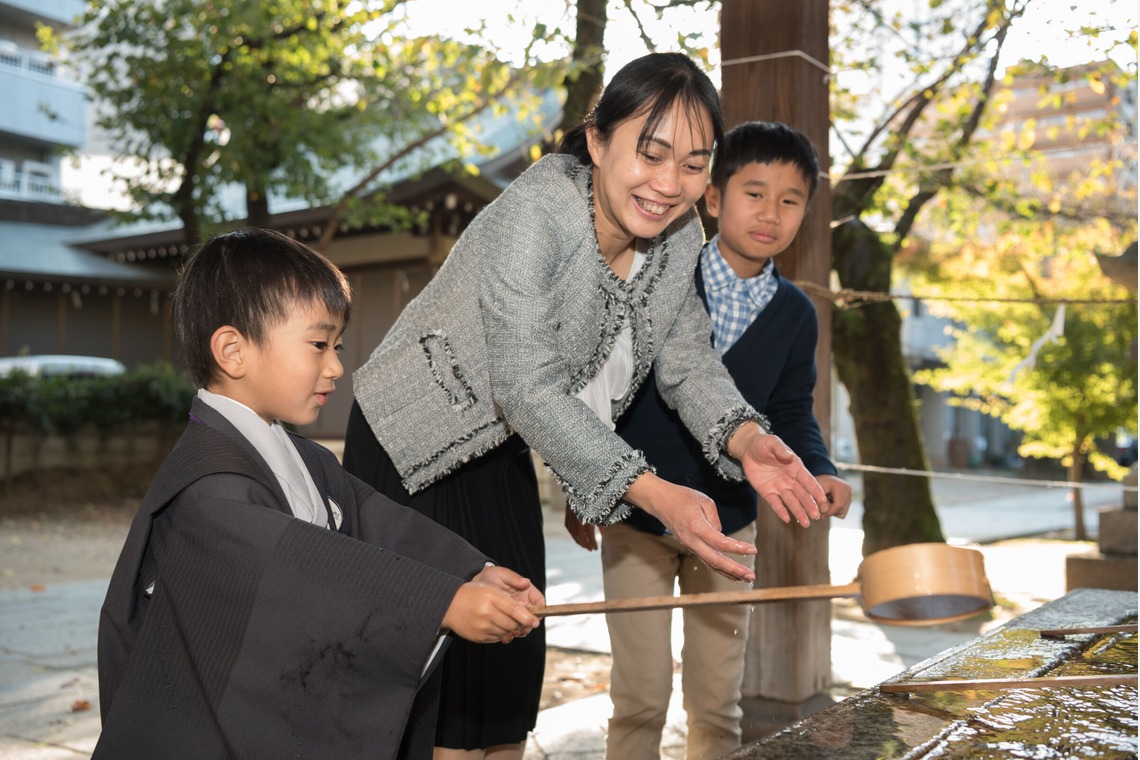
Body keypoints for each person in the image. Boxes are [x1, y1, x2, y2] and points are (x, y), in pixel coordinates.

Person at [343, 54, 828, 759]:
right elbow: (527, 386)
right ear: (598, 140)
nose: (669, 184)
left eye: (693, 165)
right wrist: (654, 493)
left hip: (501, 443)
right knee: (433, 680)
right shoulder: (539, 211)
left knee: (509, 658)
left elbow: (688, 361)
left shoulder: (679, 238)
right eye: (650, 154)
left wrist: (748, 440)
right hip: (409, 437)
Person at [93, 228, 543, 760]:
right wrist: (441, 603)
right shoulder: (207, 492)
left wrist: (470, 572)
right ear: (233, 351)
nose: (335, 366)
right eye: (318, 345)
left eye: (337, 346)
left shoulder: (302, 458)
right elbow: (306, 570)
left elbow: (378, 521)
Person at [565, 121, 853, 759]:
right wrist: (585, 485)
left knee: (718, 703)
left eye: (790, 200)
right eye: (755, 193)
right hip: (638, 517)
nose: (770, 213)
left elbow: (791, 410)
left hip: (731, 525)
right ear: (714, 198)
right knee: (639, 696)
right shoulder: (663, 272)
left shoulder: (796, 314)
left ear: (806, 213)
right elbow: (603, 385)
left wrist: (820, 466)